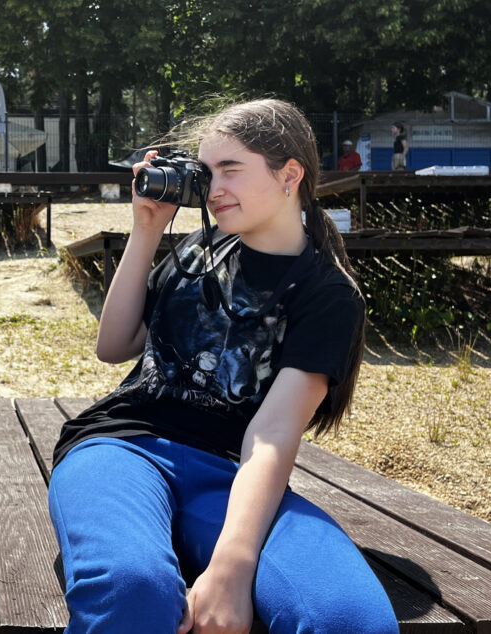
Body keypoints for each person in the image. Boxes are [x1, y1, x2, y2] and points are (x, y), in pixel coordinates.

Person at [48, 99, 398, 634]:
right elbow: (115, 345)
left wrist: (232, 567)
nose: (213, 189)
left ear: (290, 175)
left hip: (233, 474)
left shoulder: (328, 294)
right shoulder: (200, 250)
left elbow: (273, 432)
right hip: (121, 447)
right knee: (133, 589)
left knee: (350, 620)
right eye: (207, 173)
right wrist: (146, 230)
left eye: (231, 169)